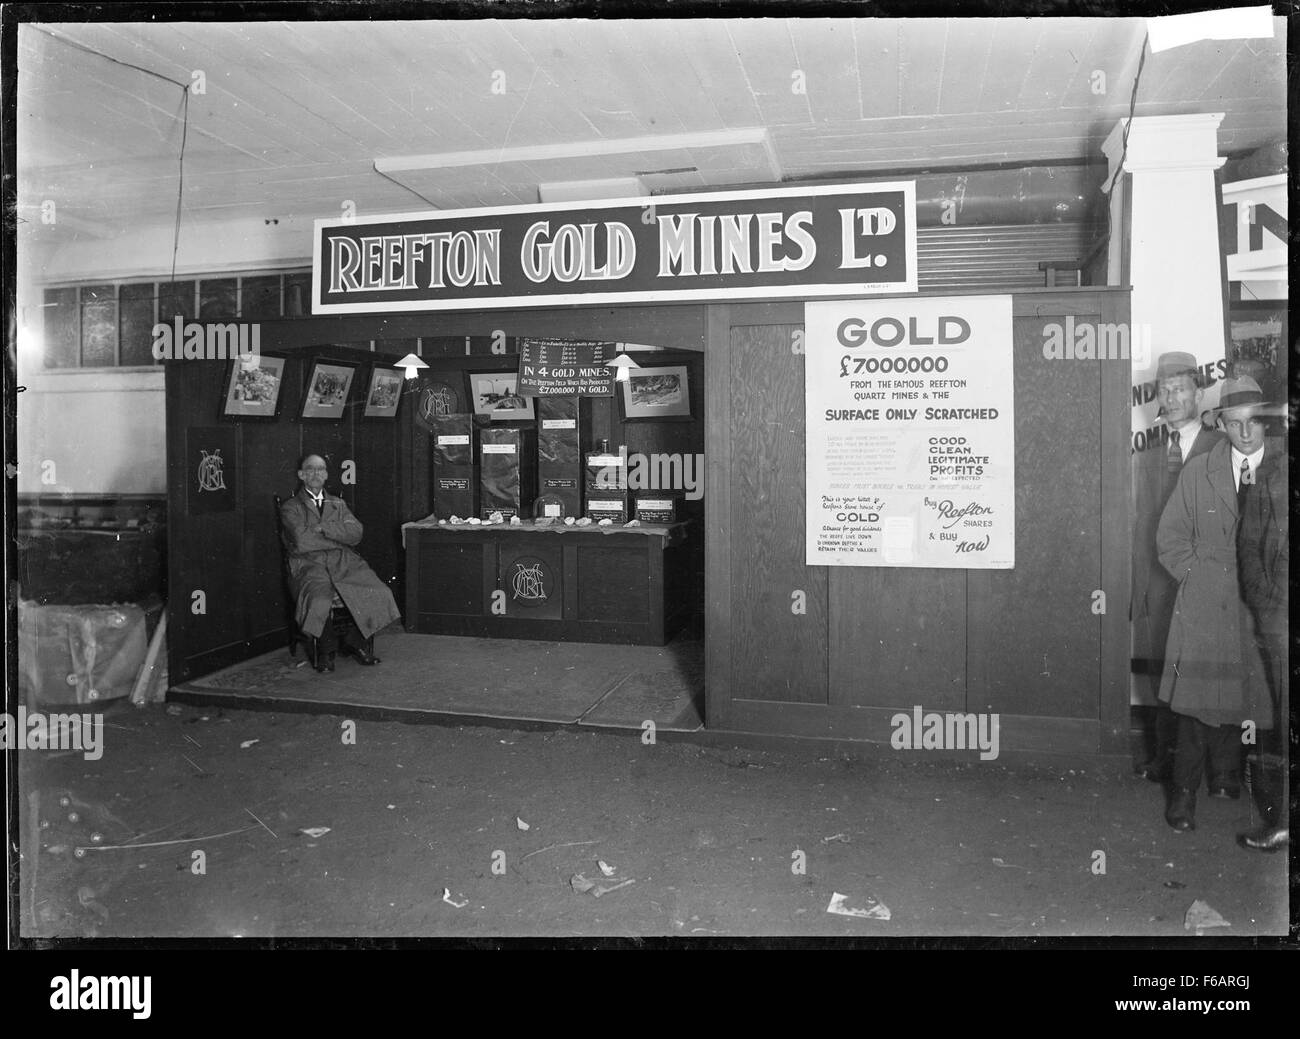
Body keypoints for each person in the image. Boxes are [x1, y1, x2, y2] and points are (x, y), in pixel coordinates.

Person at [1156, 377, 1274, 832]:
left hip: (1263, 606)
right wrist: (1198, 578)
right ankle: (1182, 796)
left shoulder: (1283, 470)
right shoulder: (1198, 470)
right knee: (1195, 699)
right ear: (1221, 424)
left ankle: (1256, 799)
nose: (1246, 434)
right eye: (1235, 424)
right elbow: (1169, 540)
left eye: (1255, 422)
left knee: (1260, 698)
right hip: (1206, 601)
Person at [1132, 352, 1224, 783]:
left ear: (1199, 393)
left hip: (1202, 583)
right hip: (1155, 581)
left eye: (1180, 389)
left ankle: (1213, 768)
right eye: (1163, 390)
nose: (1171, 398)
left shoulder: (1220, 447)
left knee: (1202, 671)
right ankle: (1165, 759)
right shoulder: (1145, 447)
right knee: (1159, 669)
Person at [280, 454, 401, 672]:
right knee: (319, 598)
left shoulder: (338, 503)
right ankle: (325, 651)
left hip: (343, 562)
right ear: (301, 475)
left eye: (320, 469)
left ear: (326, 475)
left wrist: (323, 528)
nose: (316, 474)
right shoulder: (291, 507)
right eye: (310, 469)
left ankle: (357, 643)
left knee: (377, 591)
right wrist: (337, 535)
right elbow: (301, 540)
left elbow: (356, 533)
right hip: (309, 565)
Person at [1235, 396, 1288, 852]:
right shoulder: (1267, 479)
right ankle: (1284, 822)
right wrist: (1267, 606)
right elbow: (1249, 550)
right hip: (1282, 619)